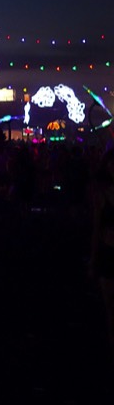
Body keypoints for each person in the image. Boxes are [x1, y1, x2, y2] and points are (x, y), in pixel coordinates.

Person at [89, 148, 114, 368]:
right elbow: (97, 229)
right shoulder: (102, 194)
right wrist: (93, 259)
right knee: (109, 306)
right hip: (107, 252)